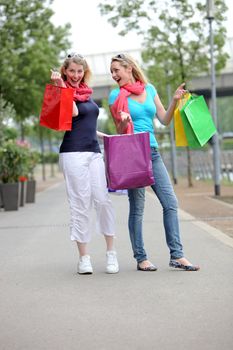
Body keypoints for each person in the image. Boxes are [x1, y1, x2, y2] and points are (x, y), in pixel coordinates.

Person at [108, 53, 200, 272]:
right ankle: (141, 258)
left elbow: (164, 120)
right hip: (132, 154)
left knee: (170, 203)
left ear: (128, 68)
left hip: (153, 153)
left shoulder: (149, 90)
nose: (113, 75)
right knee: (137, 208)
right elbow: (118, 131)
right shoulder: (115, 95)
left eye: (116, 70)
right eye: (111, 72)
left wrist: (175, 101)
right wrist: (123, 122)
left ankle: (177, 255)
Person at [50, 53, 119, 275]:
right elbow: (72, 113)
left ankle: (111, 253)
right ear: (65, 71)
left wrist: (106, 136)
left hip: (93, 152)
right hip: (73, 154)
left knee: (102, 200)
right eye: (72, 71)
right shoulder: (63, 92)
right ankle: (84, 258)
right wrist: (61, 87)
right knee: (80, 204)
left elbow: (87, 125)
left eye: (80, 71)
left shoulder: (86, 94)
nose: (76, 75)